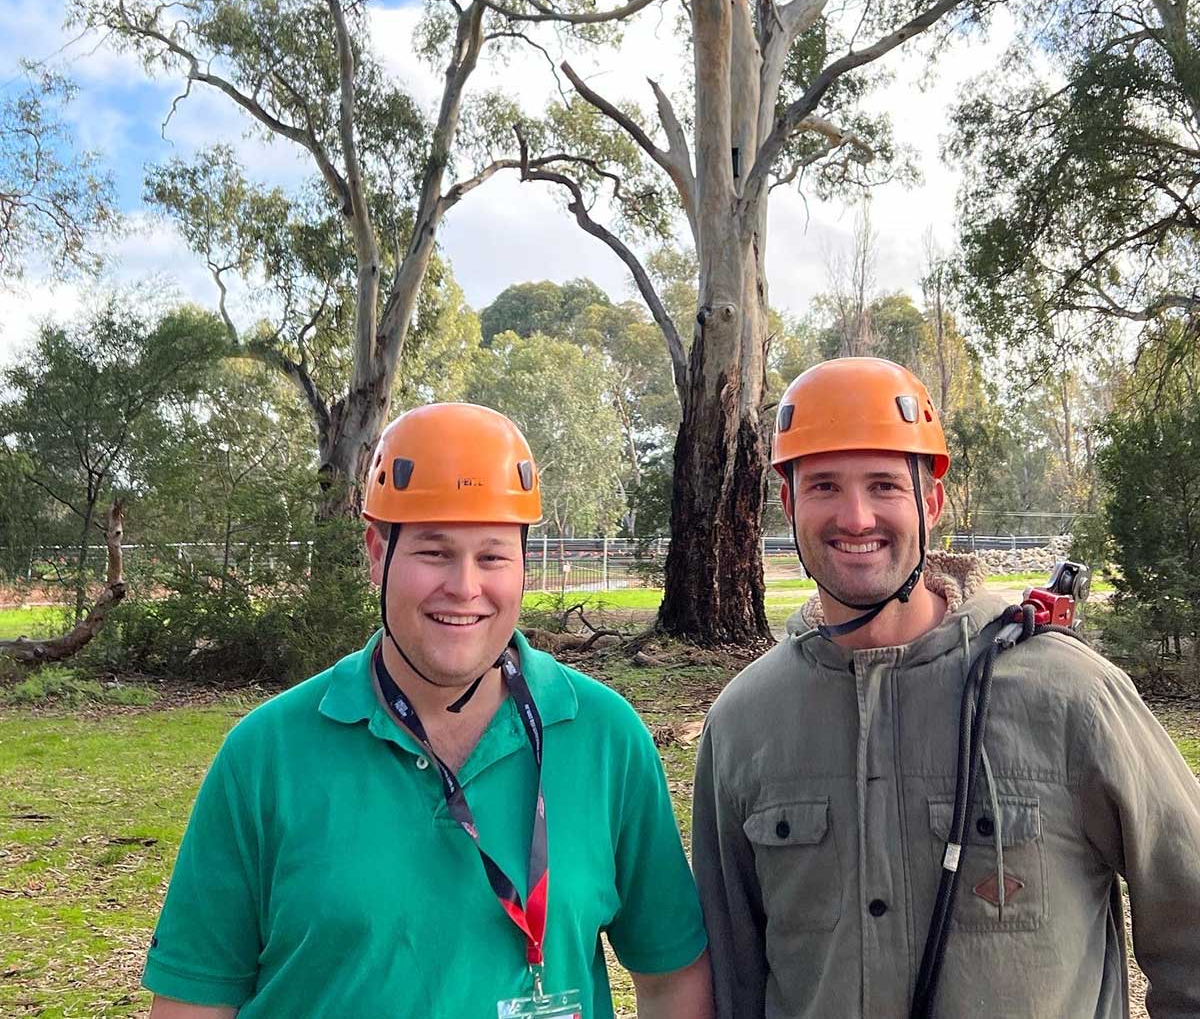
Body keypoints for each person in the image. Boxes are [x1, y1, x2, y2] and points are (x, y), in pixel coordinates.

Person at [143, 402, 712, 1019]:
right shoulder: (266, 755)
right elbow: (193, 1001)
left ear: (524, 565)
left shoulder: (605, 737)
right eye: (435, 552)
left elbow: (673, 978)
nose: (465, 587)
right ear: (376, 553)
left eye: (492, 556)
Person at [692, 356, 1200, 1019]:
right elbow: (731, 977)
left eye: (883, 485)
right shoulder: (744, 724)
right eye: (823, 486)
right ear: (788, 505)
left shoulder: (1072, 696)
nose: (855, 516)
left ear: (930, 502)